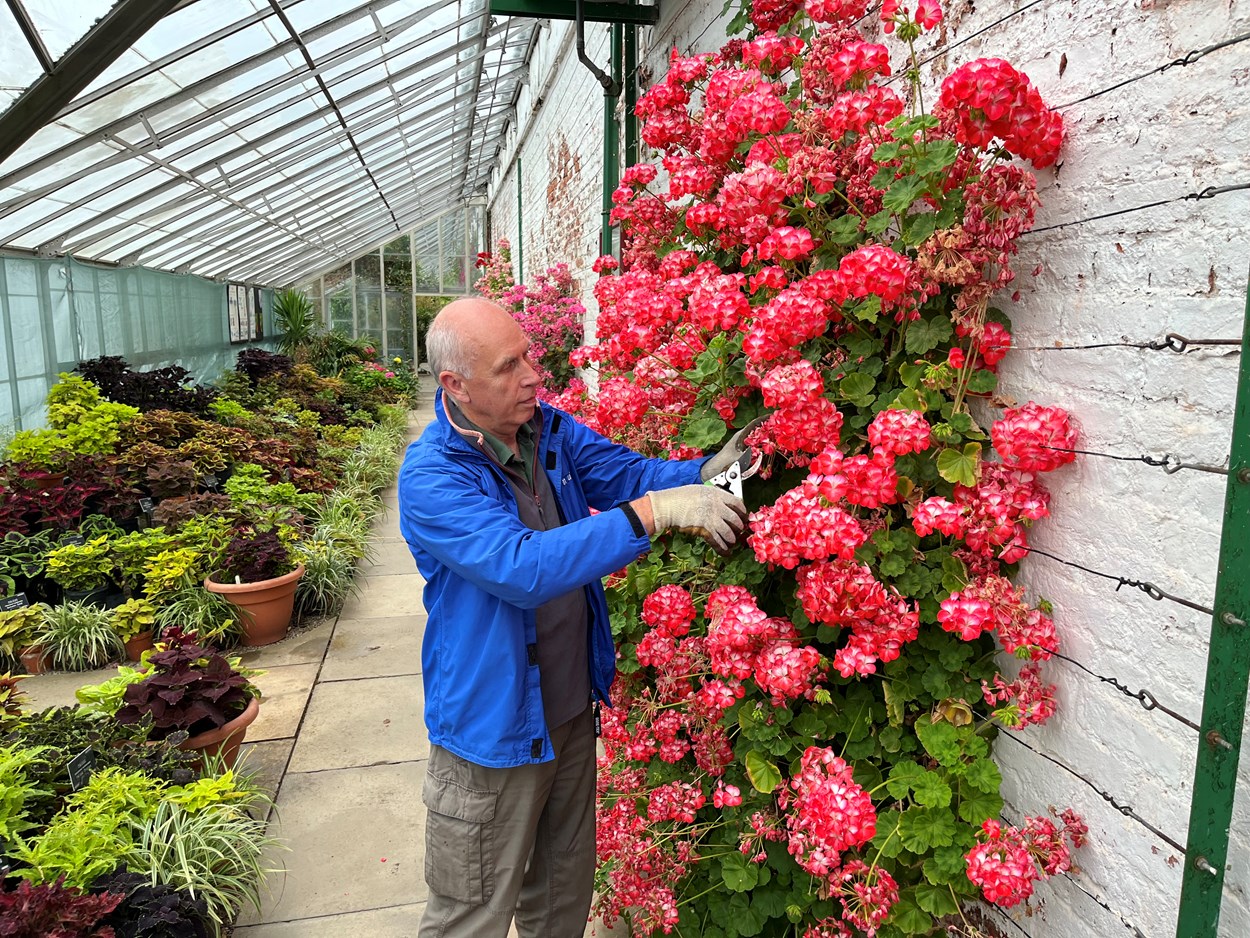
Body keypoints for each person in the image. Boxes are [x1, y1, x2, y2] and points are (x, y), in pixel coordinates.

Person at [398, 297, 755, 938]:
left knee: (561, 900)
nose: (534, 375)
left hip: (566, 715)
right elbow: (521, 567)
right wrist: (656, 512)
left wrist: (704, 473)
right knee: (471, 914)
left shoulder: (547, 432)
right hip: (492, 734)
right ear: (456, 385)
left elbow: (627, 473)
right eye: (510, 366)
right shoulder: (433, 477)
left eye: (529, 355)